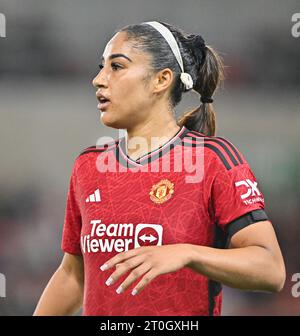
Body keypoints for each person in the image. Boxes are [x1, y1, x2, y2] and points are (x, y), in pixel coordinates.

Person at [33, 21, 286, 316]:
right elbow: (73, 275)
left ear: (161, 80)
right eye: (101, 67)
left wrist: (187, 253)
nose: (98, 79)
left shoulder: (212, 160)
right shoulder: (88, 166)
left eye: (116, 67)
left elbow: (271, 270)